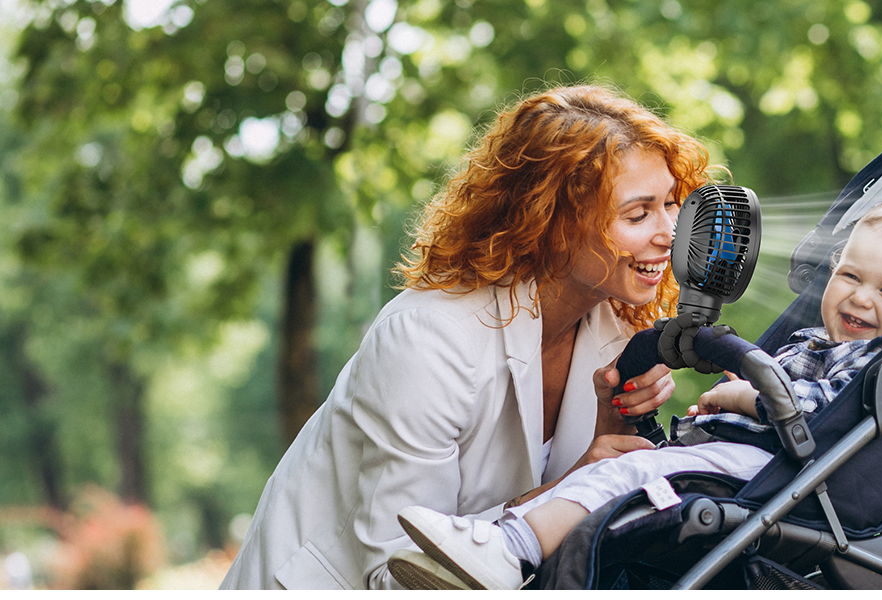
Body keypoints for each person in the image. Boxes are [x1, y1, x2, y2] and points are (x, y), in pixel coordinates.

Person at [220, 85, 715, 590]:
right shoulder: (428, 339)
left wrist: (609, 430)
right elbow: (401, 573)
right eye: (638, 214)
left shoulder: (618, 327)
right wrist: (576, 484)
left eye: (673, 206)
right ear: (552, 220)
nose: (671, 232)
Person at [388, 192, 882, 590]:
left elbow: (810, 414)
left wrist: (742, 400)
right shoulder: (814, 339)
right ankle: (493, 546)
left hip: (785, 474)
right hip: (748, 459)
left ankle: (508, 550)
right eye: (850, 276)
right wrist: (722, 407)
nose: (861, 298)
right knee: (615, 472)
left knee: (621, 477)